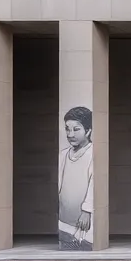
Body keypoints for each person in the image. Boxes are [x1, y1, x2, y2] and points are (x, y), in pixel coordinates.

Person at [57, 107, 95, 250]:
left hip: (84, 224)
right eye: (67, 129)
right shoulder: (62, 155)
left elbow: (95, 183)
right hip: (63, 223)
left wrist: (87, 211)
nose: (70, 134)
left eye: (76, 129)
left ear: (88, 130)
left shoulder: (94, 154)